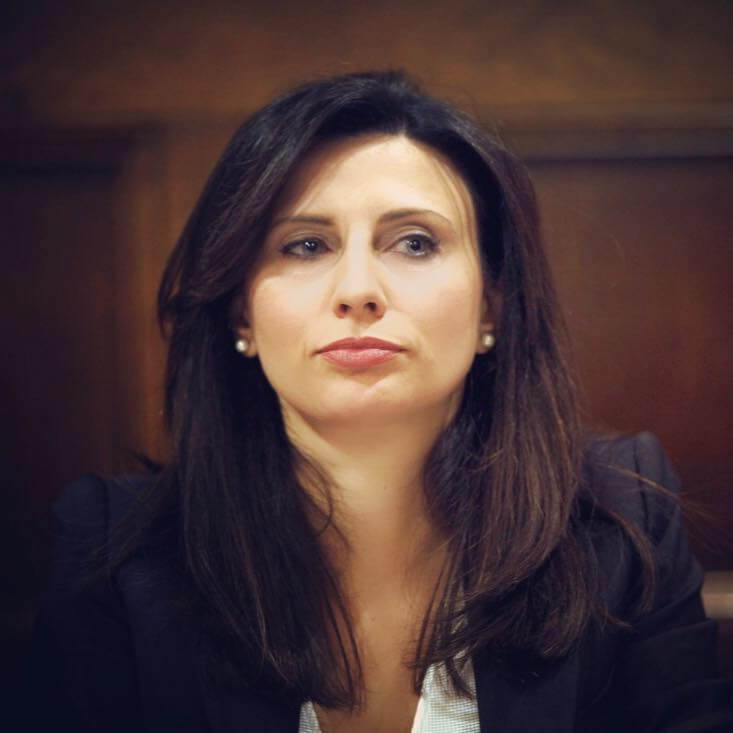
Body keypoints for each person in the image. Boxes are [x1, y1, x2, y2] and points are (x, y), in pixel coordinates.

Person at [25, 71, 732, 732]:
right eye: (304, 245)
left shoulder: (618, 524)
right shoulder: (115, 553)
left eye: (414, 242)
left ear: (491, 306)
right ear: (241, 314)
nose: (357, 287)